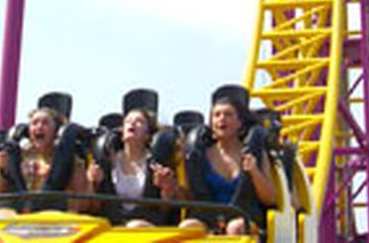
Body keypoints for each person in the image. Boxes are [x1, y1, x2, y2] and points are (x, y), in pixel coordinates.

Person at [181, 91, 277, 236]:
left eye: (228, 114)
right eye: (217, 115)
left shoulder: (253, 153)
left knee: (235, 228)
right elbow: (190, 197)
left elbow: (270, 198)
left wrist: (254, 172)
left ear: (239, 122)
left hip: (246, 219)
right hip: (209, 220)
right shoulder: (200, 156)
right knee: (188, 226)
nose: (221, 119)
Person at [86, 108, 182, 226]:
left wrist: (166, 189)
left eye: (139, 122)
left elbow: (166, 211)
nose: (132, 124)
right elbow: (93, 207)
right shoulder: (106, 162)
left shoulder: (157, 165)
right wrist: (92, 183)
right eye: (128, 121)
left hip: (146, 229)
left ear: (148, 134)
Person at [0, 107, 89, 213]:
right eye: (34, 123)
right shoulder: (18, 157)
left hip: (54, 217)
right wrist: (1, 170)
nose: (39, 127)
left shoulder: (71, 160)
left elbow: (83, 201)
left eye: (45, 123)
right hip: (18, 216)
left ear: (56, 130)